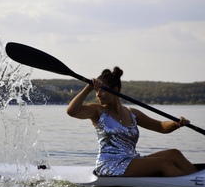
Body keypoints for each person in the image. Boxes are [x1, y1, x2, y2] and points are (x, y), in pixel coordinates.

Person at [67, 66, 198, 177]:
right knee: (164, 163)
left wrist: (176, 124)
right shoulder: (97, 111)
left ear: (116, 90)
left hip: (131, 159)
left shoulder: (132, 113)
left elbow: (160, 126)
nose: (98, 94)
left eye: (102, 90)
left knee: (174, 154)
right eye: (96, 90)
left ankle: (197, 178)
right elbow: (71, 111)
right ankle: (191, 183)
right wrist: (88, 88)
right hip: (110, 165)